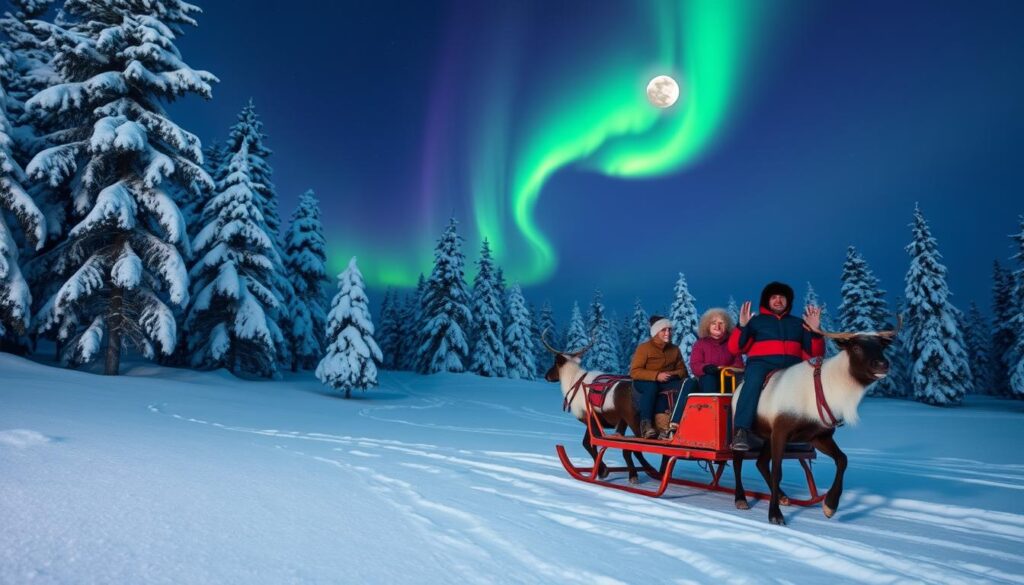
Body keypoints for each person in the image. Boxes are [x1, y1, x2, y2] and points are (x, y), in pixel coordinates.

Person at [728, 282, 823, 451]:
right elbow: (736, 348)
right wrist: (742, 326)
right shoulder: (756, 322)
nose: (778, 300)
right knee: (753, 381)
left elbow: (814, 354)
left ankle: (812, 428)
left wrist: (815, 331)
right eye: (773, 297)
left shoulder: (798, 324)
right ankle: (741, 431)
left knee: (814, 380)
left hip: (792, 368)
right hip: (761, 364)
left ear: (788, 301)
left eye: (782, 297)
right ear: (767, 301)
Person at [629, 316, 687, 439]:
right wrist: (656, 375)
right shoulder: (644, 348)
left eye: (670, 330)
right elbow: (635, 371)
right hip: (644, 380)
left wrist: (673, 374)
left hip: (667, 380)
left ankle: (675, 423)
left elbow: (683, 371)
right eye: (664, 330)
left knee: (686, 385)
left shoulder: (674, 349)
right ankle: (646, 425)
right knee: (652, 387)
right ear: (656, 332)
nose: (668, 333)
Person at [689, 308, 745, 393]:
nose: (717, 327)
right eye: (713, 323)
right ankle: (711, 404)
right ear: (707, 326)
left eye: (721, 323)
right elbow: (695, 364)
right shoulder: (700, 344)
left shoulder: (732, 343)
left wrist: (726, 369)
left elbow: (739, 363)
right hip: (708, 380)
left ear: (726, 326)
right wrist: (705, 368)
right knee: (709, 379)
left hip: (729, 378)